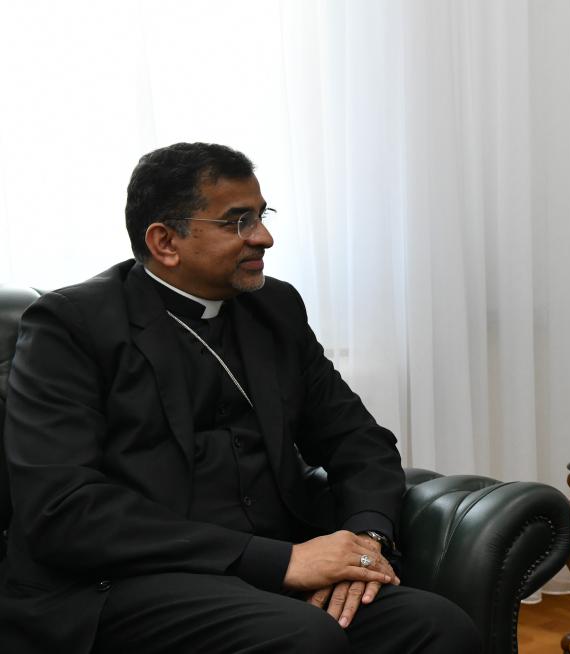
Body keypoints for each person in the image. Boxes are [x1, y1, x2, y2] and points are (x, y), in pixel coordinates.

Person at [0, 143, 480, 653]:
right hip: (126, 580)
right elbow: (64, 508)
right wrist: (281, 560)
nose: (264, 237)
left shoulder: (274, 308)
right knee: (303, 636)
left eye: (262, 215)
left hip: (270, 570)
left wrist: (365, 541)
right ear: (165, 242)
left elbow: (358, 441)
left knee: (436, 625)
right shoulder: (72, 326)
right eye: (237, 222)